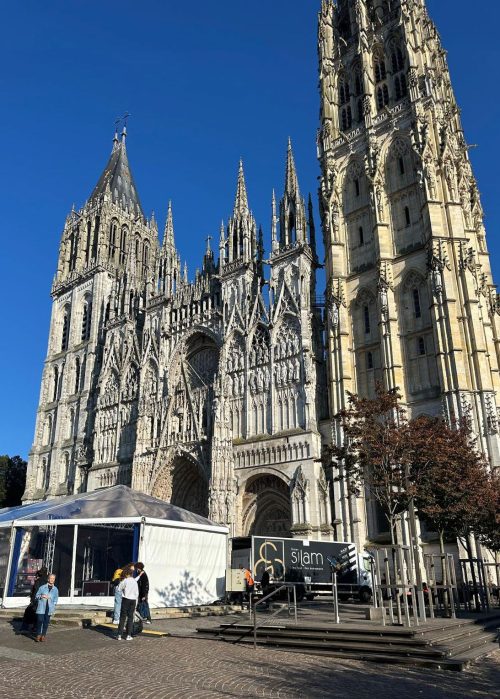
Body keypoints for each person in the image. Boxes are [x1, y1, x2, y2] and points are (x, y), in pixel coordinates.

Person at [20, 566, 48, 634]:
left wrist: (33, 600)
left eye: (36, 576)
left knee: (29, 612)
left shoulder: (39, 581)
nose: (35, 577)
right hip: (43, 601)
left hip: (37, 600)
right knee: (37, 614)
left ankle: (25, 628)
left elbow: (36, 591)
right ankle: (35, 628)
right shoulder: (46, 580)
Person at [117, 565, 139, 641]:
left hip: (126, 599)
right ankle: (128, 635)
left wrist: (124, 591)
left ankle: (119, 634)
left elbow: (119, 588)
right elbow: (137, 594)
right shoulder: (135, 582)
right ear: (132, 574)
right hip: (133, 600)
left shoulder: (125, 581)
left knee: (122, 617)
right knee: (130, 617)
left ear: (127, 574)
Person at [34, 572, 59, 642]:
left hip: (49, 607)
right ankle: (38, 634)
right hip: (41, 606)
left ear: (54, 580)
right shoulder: (42, 587)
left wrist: (53, 605)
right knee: (40, 620)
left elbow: (56, 599)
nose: (52, 580)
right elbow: (36, 596)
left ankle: (43, 635)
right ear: (48, 579)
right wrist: (41, 596)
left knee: (46, 621)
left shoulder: (55, 589)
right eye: (51, 578)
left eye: (53, 579)